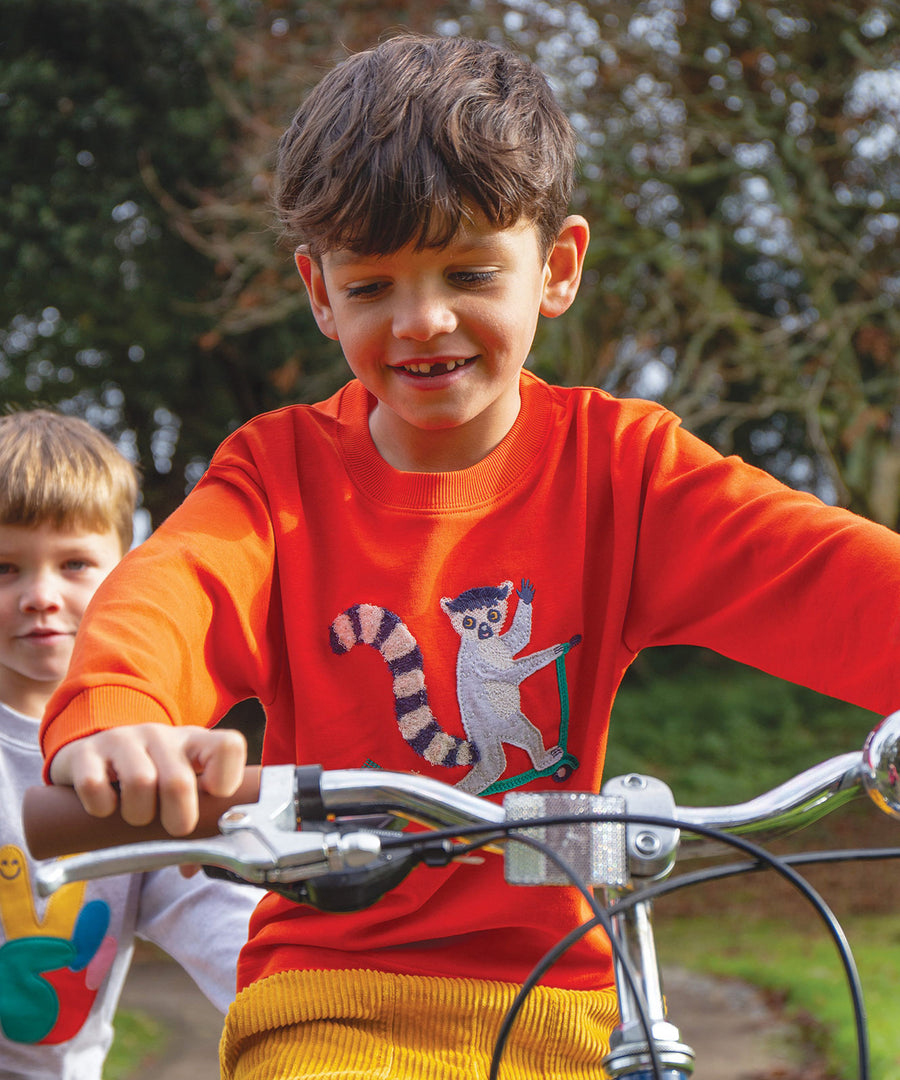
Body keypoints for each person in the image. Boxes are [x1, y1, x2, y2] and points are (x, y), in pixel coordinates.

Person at [39, 33, 900, 1080]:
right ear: (319, 291)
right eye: (371, 288)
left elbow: (820, 576)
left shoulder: (621, 474)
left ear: (560, 267)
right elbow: (172, 595)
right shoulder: (279, 478)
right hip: (330, 1002)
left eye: (470, 270)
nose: (423, 320)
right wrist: (120, 723)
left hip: (563, 1006)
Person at [0, 409, 258, 1079]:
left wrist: (309, 994)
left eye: (76, 563)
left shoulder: (140, 762)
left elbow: (207, 908)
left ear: (130, 579)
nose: (41, 596)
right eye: (4, 569)